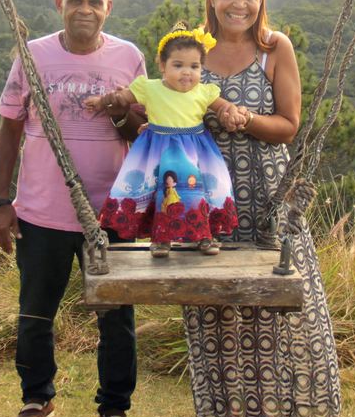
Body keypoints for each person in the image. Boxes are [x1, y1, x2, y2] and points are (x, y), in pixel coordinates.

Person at [182, 0, 342, 417]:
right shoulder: (190, 49)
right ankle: (219, 414)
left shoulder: (276, 49)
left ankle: (279, 413)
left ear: (261, 0)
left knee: (276, 299)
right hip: (205, 193)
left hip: (265, 193)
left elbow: (289, 126)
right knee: (211, 299)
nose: (240, 3)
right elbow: (169, 112)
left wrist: (243, 119)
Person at [0, 0, 145, 417]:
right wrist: (2, 201)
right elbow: (10, 130)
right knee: (37, 311)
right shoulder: (33, 55)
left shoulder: (129, 57)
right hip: (42, 211)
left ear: (108, 7)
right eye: (76, 0)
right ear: (59, 5)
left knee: (117, 315)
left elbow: (140, 134)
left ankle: (115, 408)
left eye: (95, 1)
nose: (85, 9)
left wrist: (122, 113)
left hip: (110, 212)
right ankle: (37, 396)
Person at [86, 23, 241, 257]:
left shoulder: (204, 91)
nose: (187, 72)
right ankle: (160, 238)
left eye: (194, 66)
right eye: (178, 65)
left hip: (195, 153)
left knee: (197, 192)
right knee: (161, 195)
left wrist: (233, 111)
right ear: (162, 65)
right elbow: (122, 98)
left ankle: (204, 236)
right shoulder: (150, 88)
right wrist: (101, 101)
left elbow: (224, 107)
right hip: (157, 151)